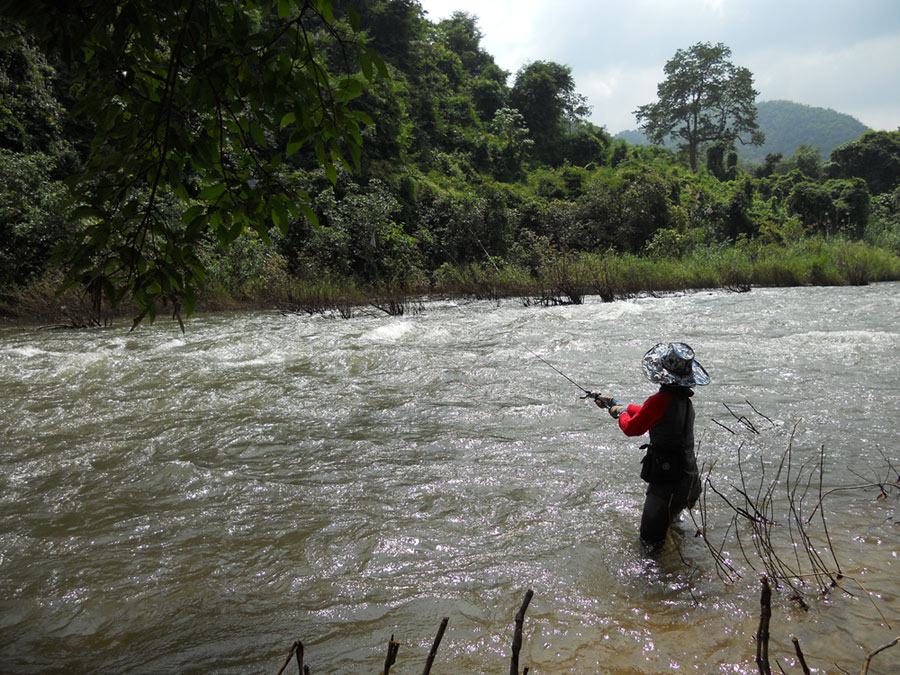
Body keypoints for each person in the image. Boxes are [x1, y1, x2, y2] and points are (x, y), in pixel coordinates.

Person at [595, 342, 710, 553]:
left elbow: (632, 428)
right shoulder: (684, 402)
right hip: (689, 480)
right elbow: (651, 414)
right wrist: (622, 404)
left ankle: (654, 583)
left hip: (668, 483)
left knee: (649, 544)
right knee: (672, 526)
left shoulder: (660, 400)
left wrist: (620, 414)